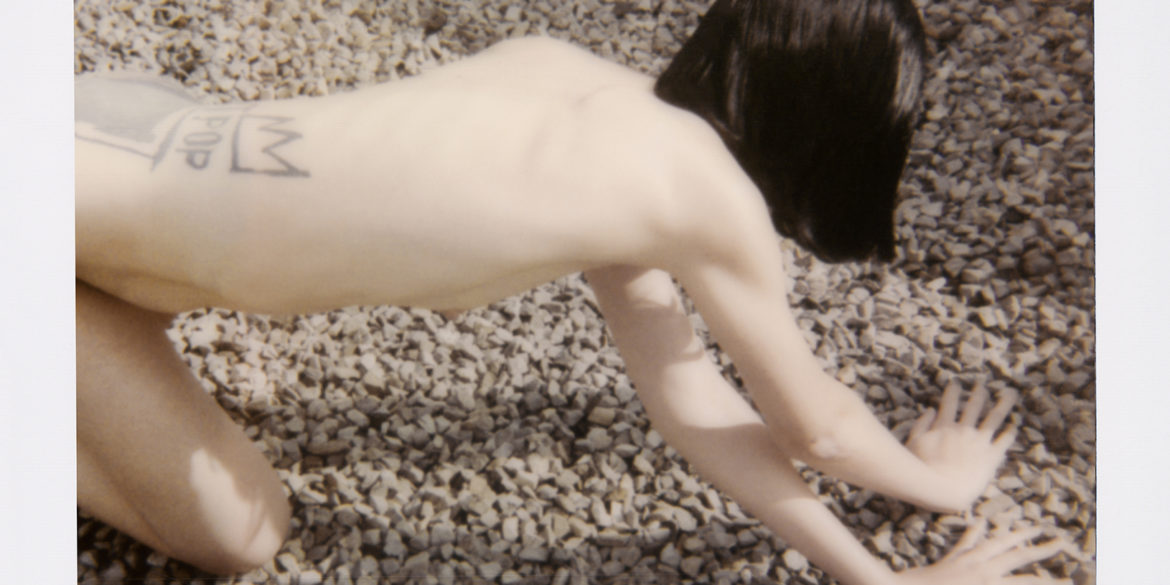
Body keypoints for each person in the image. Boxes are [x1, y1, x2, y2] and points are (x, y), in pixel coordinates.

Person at [75, 0, 1073, 582]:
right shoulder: (703, 197)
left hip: (105, 126)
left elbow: (691, 401)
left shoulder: (570, 81)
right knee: (244, 537)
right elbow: (820, 430)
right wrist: (940, 487)